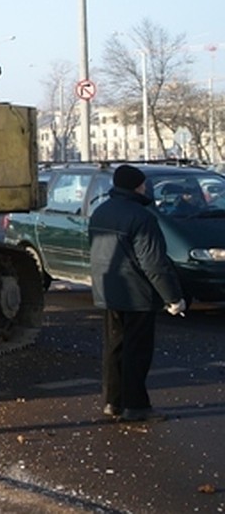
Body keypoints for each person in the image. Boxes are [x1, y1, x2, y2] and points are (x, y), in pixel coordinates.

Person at [88, 164, 186, 423]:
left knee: (115, 347)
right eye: (143, 184)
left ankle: (113, 401)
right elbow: (154, 264)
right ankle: (136, 406)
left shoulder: (100, 212)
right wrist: (173, 297)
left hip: (108, 289)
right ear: (136, 186)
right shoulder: (142, 217)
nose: (146, 188)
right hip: (137, 293)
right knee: (137, 351)